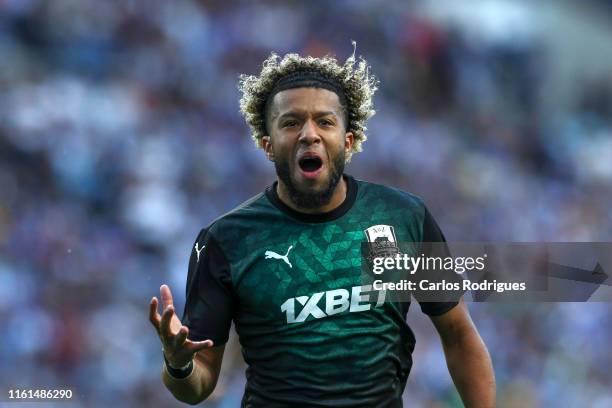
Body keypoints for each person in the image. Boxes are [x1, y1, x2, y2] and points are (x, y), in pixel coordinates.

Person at [149, 47, 496, 407]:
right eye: (291, 122)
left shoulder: (404, 216)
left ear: (348, 141)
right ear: (268, 145)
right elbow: (199, 385)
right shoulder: (226, 240)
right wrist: (178, 365)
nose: (309, 134)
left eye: (325, 121)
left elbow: (458, 335)